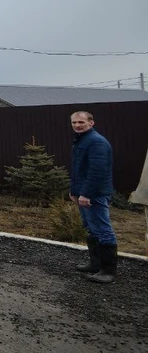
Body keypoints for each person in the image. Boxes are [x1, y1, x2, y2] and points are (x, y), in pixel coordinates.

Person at [69, 111, 117, 284]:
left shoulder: (96, 142)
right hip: (83, 193)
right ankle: (95, 264)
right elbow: (79, 170)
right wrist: (74, 191)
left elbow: (97, 172)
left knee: (103, 230)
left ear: (91, 123)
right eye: (74, 123)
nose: (77, 125)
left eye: (81, 122)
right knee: (91, 228)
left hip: (94, 195)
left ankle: (108, 271)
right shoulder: (82, 140)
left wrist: (86, 194)